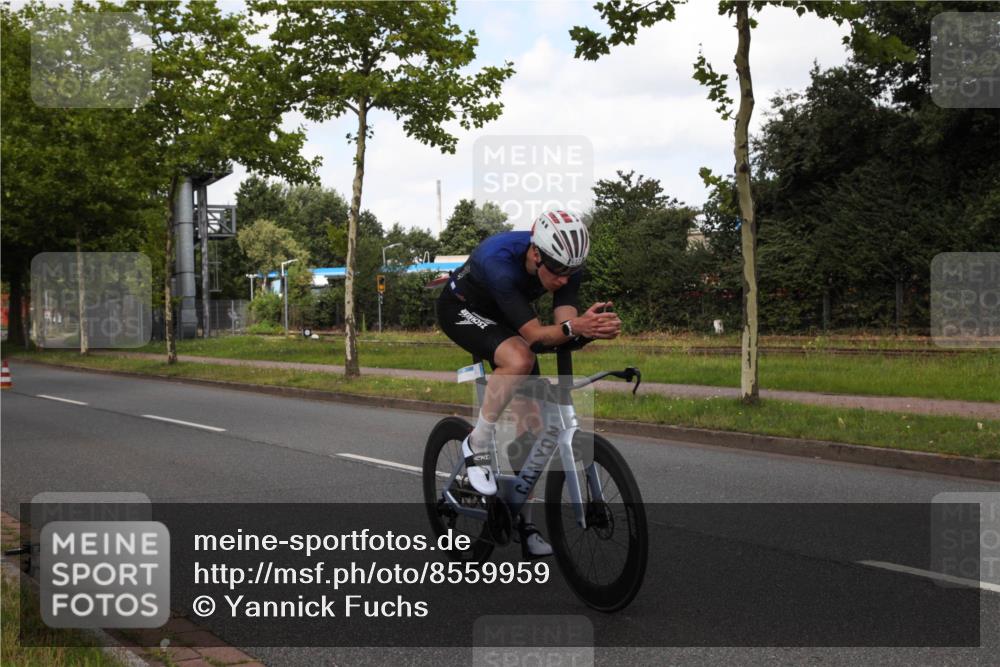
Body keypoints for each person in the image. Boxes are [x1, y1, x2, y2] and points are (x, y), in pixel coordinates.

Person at [436, 209, 622, 558]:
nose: (565, 281)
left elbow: (563, 328)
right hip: (461, 309)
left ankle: (525, 522)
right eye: (558, 273)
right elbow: (536, 337)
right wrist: (572, 329)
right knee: (520, 358)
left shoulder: (565, 262)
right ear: (536, 254)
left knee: (531, 426)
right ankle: (476, 443)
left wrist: (588, 330)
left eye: (572, 273)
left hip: (507, 317)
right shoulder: (498, 260)